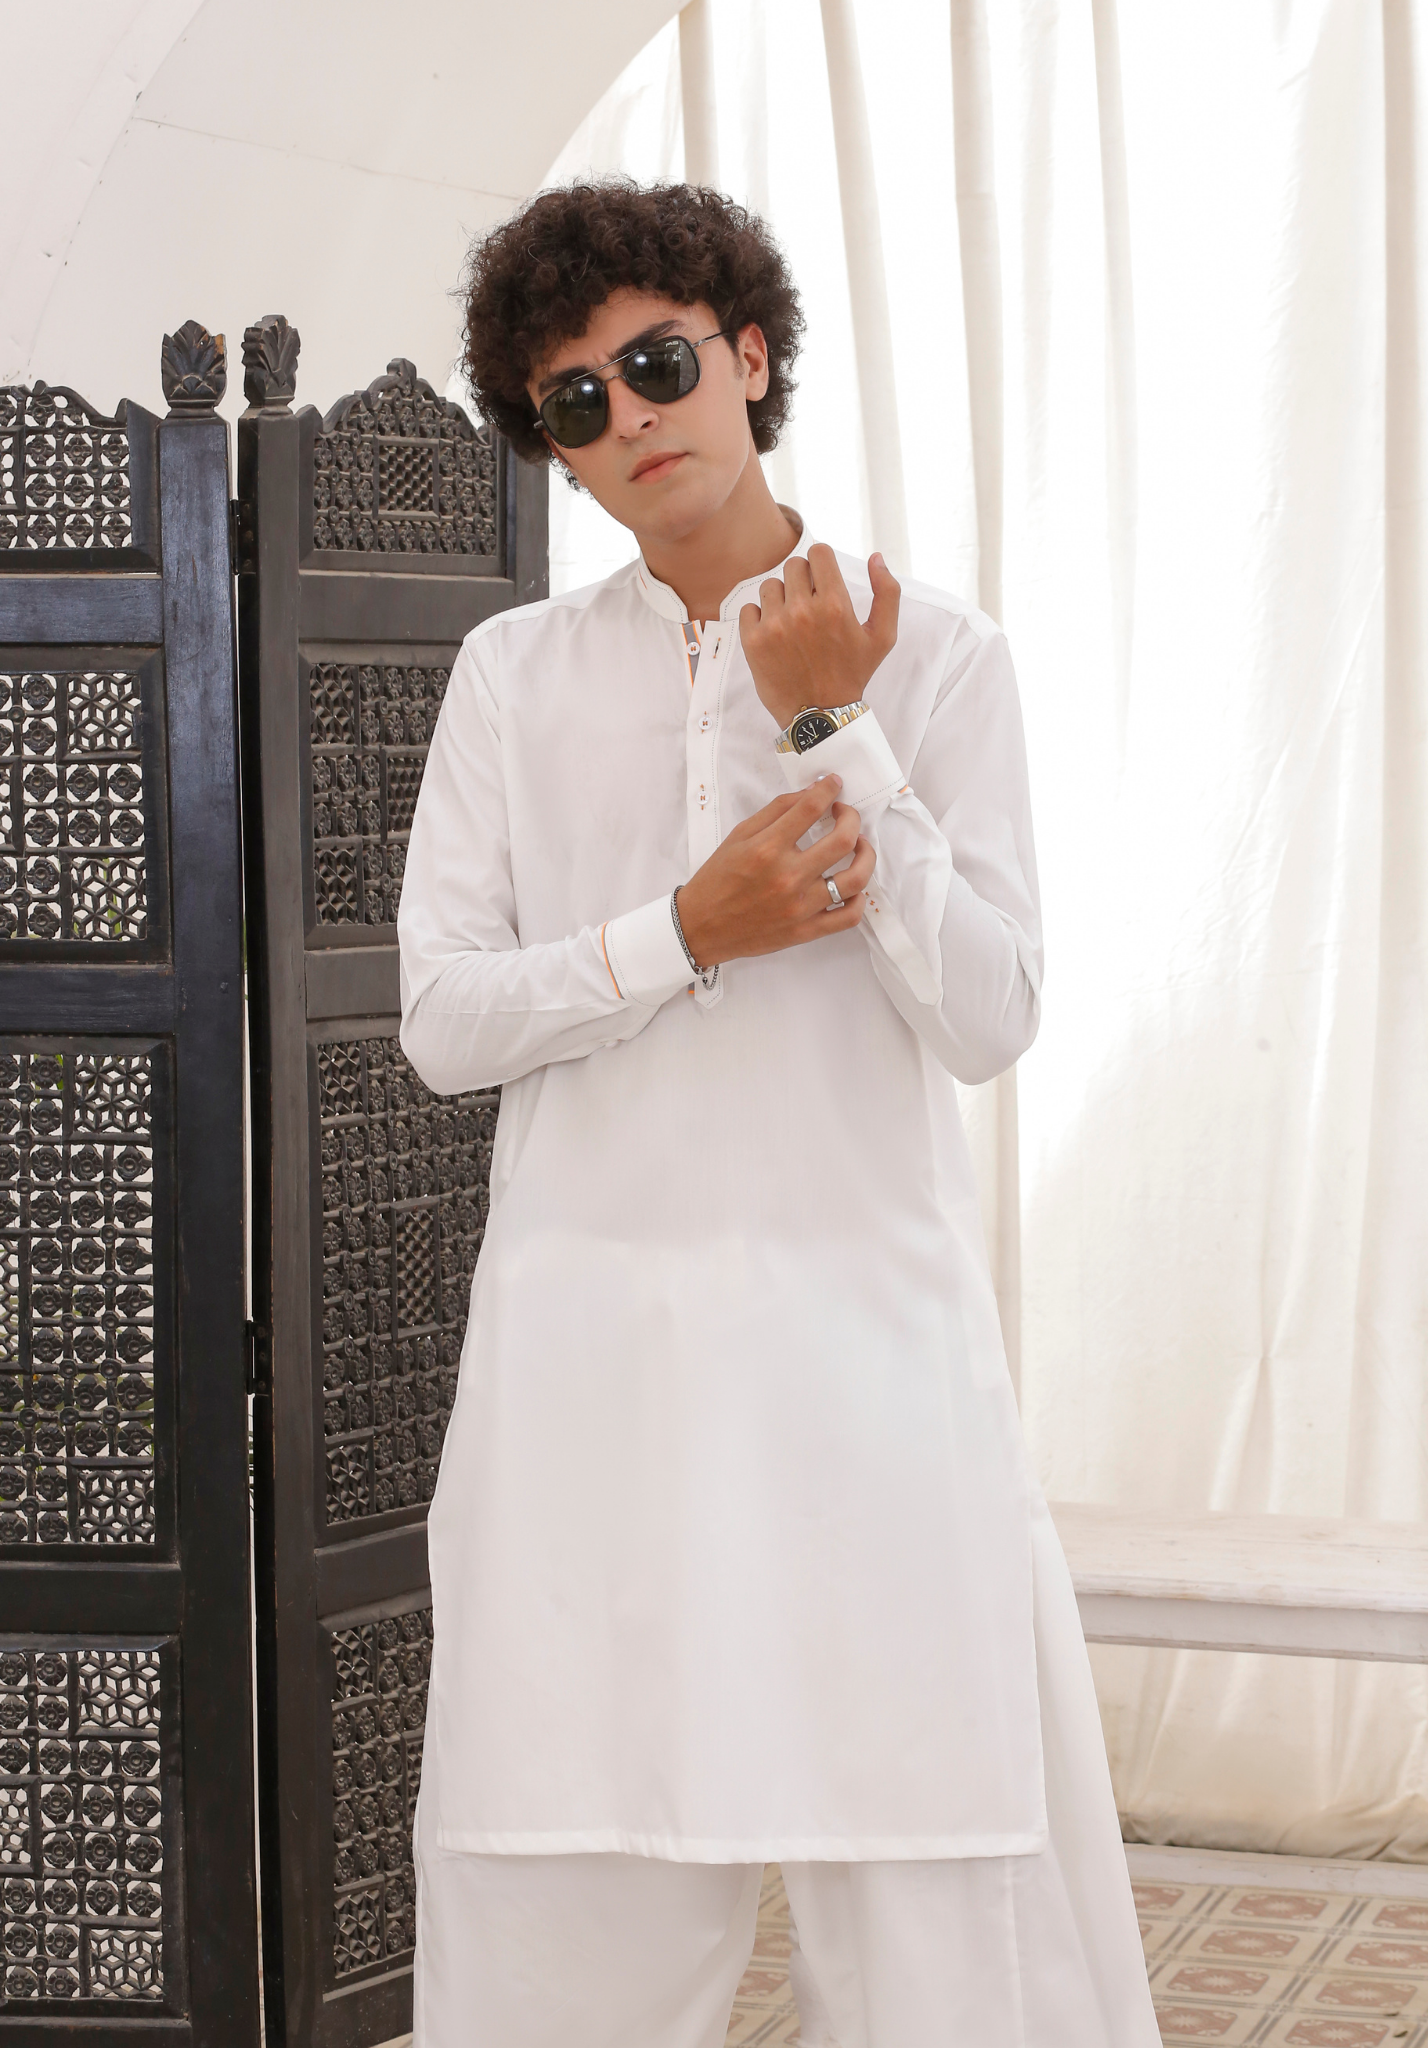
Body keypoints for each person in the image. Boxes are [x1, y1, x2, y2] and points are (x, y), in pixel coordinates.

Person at [398, 177, 1159, 2047]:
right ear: (552, 448)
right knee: (558, 1898)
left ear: (748, 356)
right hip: (589, 1379)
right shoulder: (511, 675)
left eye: (657, 364)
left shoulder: (937, 655)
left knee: (941, 1911)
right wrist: (686, 930)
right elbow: (441, 1024)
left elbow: (989, 1016)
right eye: (574, 399)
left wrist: (835, 727)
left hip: (863, 1370)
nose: (628, 417)